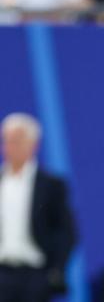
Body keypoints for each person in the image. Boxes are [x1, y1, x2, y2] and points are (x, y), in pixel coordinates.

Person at [0, 113, 77, 302]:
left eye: (17, 141)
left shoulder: (51, 185)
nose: (10, 147)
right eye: (7, 141)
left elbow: (67, 232)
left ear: (33, 145)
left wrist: (55, 271)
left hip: (35, 275)